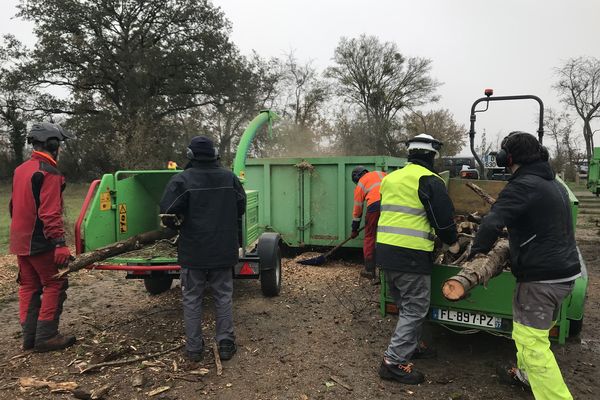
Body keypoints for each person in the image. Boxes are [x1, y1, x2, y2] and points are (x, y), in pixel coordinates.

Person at [470, 131, 580, 399]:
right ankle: (525, 375)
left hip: (540, 279)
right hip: (563, 274)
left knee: (532, 343)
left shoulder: (524, 185)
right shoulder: (552, 183)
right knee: (529, 333)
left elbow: (491, 222)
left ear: (506, 158)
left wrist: (478, 253)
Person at [376, 133, 459, 384]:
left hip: (386, 252)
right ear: (432, 155)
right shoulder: (430, 180)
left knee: (404, 304)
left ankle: (411, 346)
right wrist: (453, 243)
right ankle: (393, 362)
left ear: (409, 154)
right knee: (415, 308)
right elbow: (443, 220)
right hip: (410, 255)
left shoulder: (390, 179)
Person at [159, 136, 246, 363]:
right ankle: (226, 344)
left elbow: (167, 211)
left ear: (190, 155)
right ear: (215, 154)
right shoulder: (230, 178)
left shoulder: (182, 180)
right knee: (223, 297)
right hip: (223, 250)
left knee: (192, 299)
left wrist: (177, 223)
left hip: (194, 252)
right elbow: (241, 207)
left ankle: (194, 349)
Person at [9, 122, 76, 352]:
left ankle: (29, 339)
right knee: (55, 283)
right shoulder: (49, 172)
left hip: (20, 239)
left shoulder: (20, 169)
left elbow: (13, 205)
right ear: (52, 143)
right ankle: (46, 336)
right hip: (41, 240)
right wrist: (59, 243)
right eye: (59, 143)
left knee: (28, 286)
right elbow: (49, 212)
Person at [350, 166, 386, 279]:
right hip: (392, 204)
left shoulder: (361, 184)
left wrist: (354, 229)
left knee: (370, 236)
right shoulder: (382, 174)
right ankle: (387, 269)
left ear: (357, 177)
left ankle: (369, 270)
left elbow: (357, 210)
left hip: (375, 207)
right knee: (388, 235)